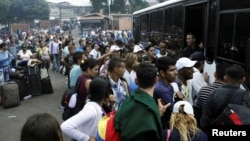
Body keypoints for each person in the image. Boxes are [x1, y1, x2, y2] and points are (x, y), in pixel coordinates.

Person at [114, 62, 170, 141]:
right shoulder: (151, 107)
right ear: (156, 79)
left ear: (136, 81)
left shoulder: (127, 102)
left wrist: (158, 113)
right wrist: (157, 113)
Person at [61, 76, 110, 141]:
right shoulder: (91, 111)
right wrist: (87, 138)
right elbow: (65, 126)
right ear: (105, 93)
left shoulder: (96, 105)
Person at [200, 64, 246, 131]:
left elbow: (204, 121)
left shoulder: (214, 94)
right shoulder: (246, 96)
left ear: (225, 78)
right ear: (243, 80)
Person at [154, 56, 183, 130]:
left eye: (175, 69)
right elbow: (175, 111)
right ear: (162, 73)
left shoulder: (170, 86)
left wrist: (177, 99)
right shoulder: (162, 90)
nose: (176, 73)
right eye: (172, 70)